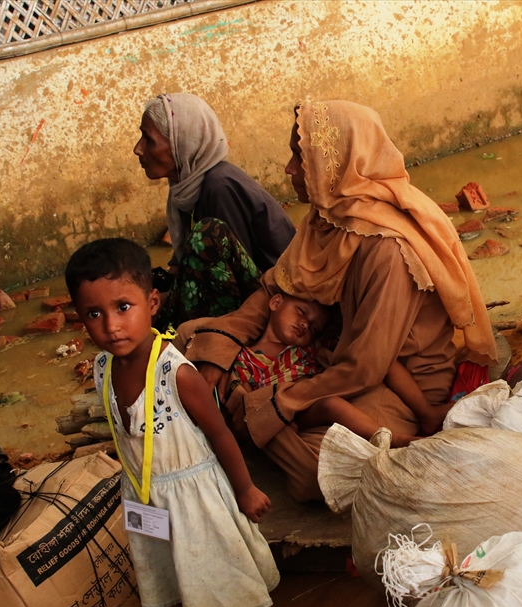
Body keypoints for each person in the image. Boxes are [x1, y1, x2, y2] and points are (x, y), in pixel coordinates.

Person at [176, 100, 496, 501]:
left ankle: (241, 414)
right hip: (336, 354)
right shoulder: (327, 218)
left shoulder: (389, 250)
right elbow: (277, 291)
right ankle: (243, 414)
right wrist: (220, 350)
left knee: (322, 466)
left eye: (301, 157)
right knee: (193, 338)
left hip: (399, 383)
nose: (291, 169)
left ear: (339, 161)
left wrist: (278, 402)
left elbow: (365, 366)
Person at [67, 238, 279, 607]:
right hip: (148, 501)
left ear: (152, 304)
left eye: (123, 307)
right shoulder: (103, 369)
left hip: (194, 501)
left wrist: (245, 489)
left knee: (215, 594)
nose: (111, 325)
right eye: (93, 314)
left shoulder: (174, 374)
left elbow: (220, 432)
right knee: (182, 587)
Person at [134, 93, 296, 330]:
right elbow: (184, 263)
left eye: (148, 139)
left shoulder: (218, 187)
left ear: (182, 145)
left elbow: (233, 274)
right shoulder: (190, 182)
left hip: (275, 297)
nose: (138, 149)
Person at [228, 291, 453, 447]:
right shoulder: (245, 358)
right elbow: (247, 405)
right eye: (302, 312)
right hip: (290, 410)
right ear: (276, 303)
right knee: (331, 405)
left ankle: (426, 412)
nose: (306, 324)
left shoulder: (310, 349)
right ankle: (393, 440)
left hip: (318, 391)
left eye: (314, 327)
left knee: (377, 358)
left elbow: (356, 356)